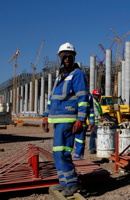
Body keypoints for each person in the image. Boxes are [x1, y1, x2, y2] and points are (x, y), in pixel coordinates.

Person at [42, 42, 88, 196]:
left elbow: (83, 98)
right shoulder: (60, 75)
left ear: (74, 57)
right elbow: (52, 99)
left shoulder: (77, 74)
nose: (66, 58)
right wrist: (45, 116)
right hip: (57, 120)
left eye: (69, 55)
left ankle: (73, 183)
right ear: (59, 58)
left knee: (63, 152)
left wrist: (80, 119)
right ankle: (64, 182)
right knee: (57, 153)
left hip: (68, 119)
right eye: (64, 56)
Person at [74, 93, 95, 159]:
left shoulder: (88, 96)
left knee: (80, 142)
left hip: (81, 123)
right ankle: (65, 162)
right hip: (70, 121)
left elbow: (91, 111)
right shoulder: (71, 91)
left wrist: (91, 123)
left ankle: (78, 159)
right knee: (67, 143)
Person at [89, 89, 103, 154]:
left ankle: (92, 149)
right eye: (96, 95)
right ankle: (99, 148)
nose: (97, 96)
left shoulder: (96, 101)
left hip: (95, 121)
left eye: (98, 95)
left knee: (92, 135)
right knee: (98, 135)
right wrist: (99, 118)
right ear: (93, 95)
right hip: (95, 121)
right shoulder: (93, 101)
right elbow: (95, 111)